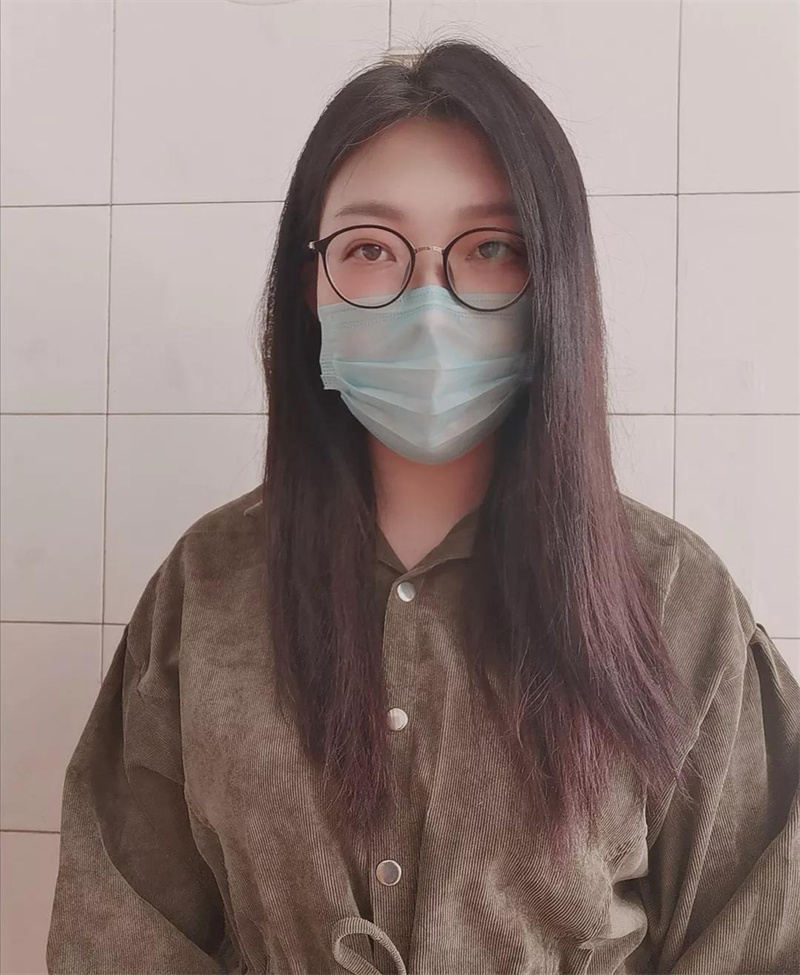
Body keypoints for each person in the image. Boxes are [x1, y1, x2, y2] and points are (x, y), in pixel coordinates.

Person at [46, 39, 799, 975]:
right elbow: (116, 927)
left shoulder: (678, 601)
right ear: (311, 283)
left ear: (555, 285)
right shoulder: (207, 586)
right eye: (370, 248)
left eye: (491, 249)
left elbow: (764, 932)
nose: (429, 306)